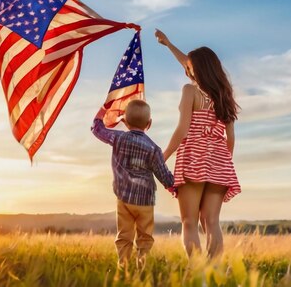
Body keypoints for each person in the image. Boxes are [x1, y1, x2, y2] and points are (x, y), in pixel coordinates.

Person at [154, 29, 241, 259]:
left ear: (196, 70)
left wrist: (160, 158)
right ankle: (214, 274)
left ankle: (198, 277)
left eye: (189, 68)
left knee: (189, 223)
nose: (186, 70)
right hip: (220, 159)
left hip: (193, 156)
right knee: (212, 223)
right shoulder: (225, 95)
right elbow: (230, 138)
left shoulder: (190, 91)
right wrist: (169, 44)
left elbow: (183, 130)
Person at [91, 99, 176, 268]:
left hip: (123, 199)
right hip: (145, 201)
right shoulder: (154, 149)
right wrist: (173, 187)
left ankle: (123, 266)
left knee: (124, 235)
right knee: (145, 237)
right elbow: (164, 175)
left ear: (124, 121)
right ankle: (141, 266)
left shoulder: (118, 137)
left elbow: (97, 129)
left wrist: (103, 109)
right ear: (149, 124)